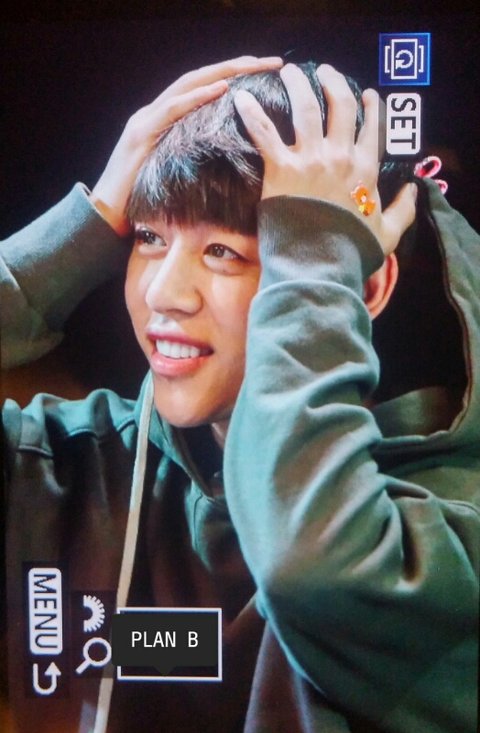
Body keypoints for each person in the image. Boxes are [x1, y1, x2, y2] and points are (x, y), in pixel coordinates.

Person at [1, 57, 478, 733]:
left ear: (358, 286)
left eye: (224, 251)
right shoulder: (70, 466)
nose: (164, 292)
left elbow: (308, 565)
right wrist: (85, 225)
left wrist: (316, 257)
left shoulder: (451, 524)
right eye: (149, 237)